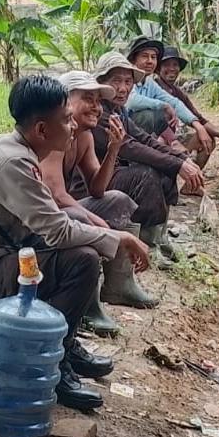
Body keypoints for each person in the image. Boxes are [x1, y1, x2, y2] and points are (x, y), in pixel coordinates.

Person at [0, 75, 150, 412]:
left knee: (80, 234)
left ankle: (62, 345)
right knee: (82, 261)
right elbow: (57, 232)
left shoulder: (10, 147)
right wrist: (120, 237)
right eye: (66, 120)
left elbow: (52, 222)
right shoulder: (13, 163)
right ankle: (53, 361)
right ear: (41, 129)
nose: (72, 126)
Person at [39, 71, 158, 330]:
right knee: (82, 217)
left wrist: (114, 148)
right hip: (43, 220)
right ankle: (87, 305)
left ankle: (119, 285)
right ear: (64, 102)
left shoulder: (84, 136)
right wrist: (98, 223)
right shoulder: (54, 135)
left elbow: (98, 189)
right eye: (88, 99)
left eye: (98, 101)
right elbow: (56, 196)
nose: (96, 107)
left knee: (118, 200)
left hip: (62, 211)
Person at [93, 52, 204, 264]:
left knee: (164, 169)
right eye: (116, 81)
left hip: (113, 172)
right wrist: (177, 164)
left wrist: (181, 158)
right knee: (145, 176)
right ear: (101, 83)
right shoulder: (100, 112)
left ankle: (159, 238)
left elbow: (144, 139)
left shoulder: (118, 110)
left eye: (128, 82)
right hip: (95, 182)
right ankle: (147, 244)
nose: (123, 88)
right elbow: (130, 147)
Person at [125, 36, 211, 157]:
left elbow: (174, 102)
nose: (150, 61)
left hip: (143, 135)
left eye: (153, 57)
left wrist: (197, 125)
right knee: (153, 114)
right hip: (123, 133)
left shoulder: (149, 83)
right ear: (134, 60)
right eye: (145, 56)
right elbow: (131, 101)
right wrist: (163, 105)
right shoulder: (127, 78)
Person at [157, 45, 219, 166]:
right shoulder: (153, 88)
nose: (172, 69)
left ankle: (193, 177)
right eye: (166, 65)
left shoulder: (178, 93)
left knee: (207, 139)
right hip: (156, 141)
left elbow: (199, 119)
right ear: (158, 69)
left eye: (175, 65)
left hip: (173, 139)